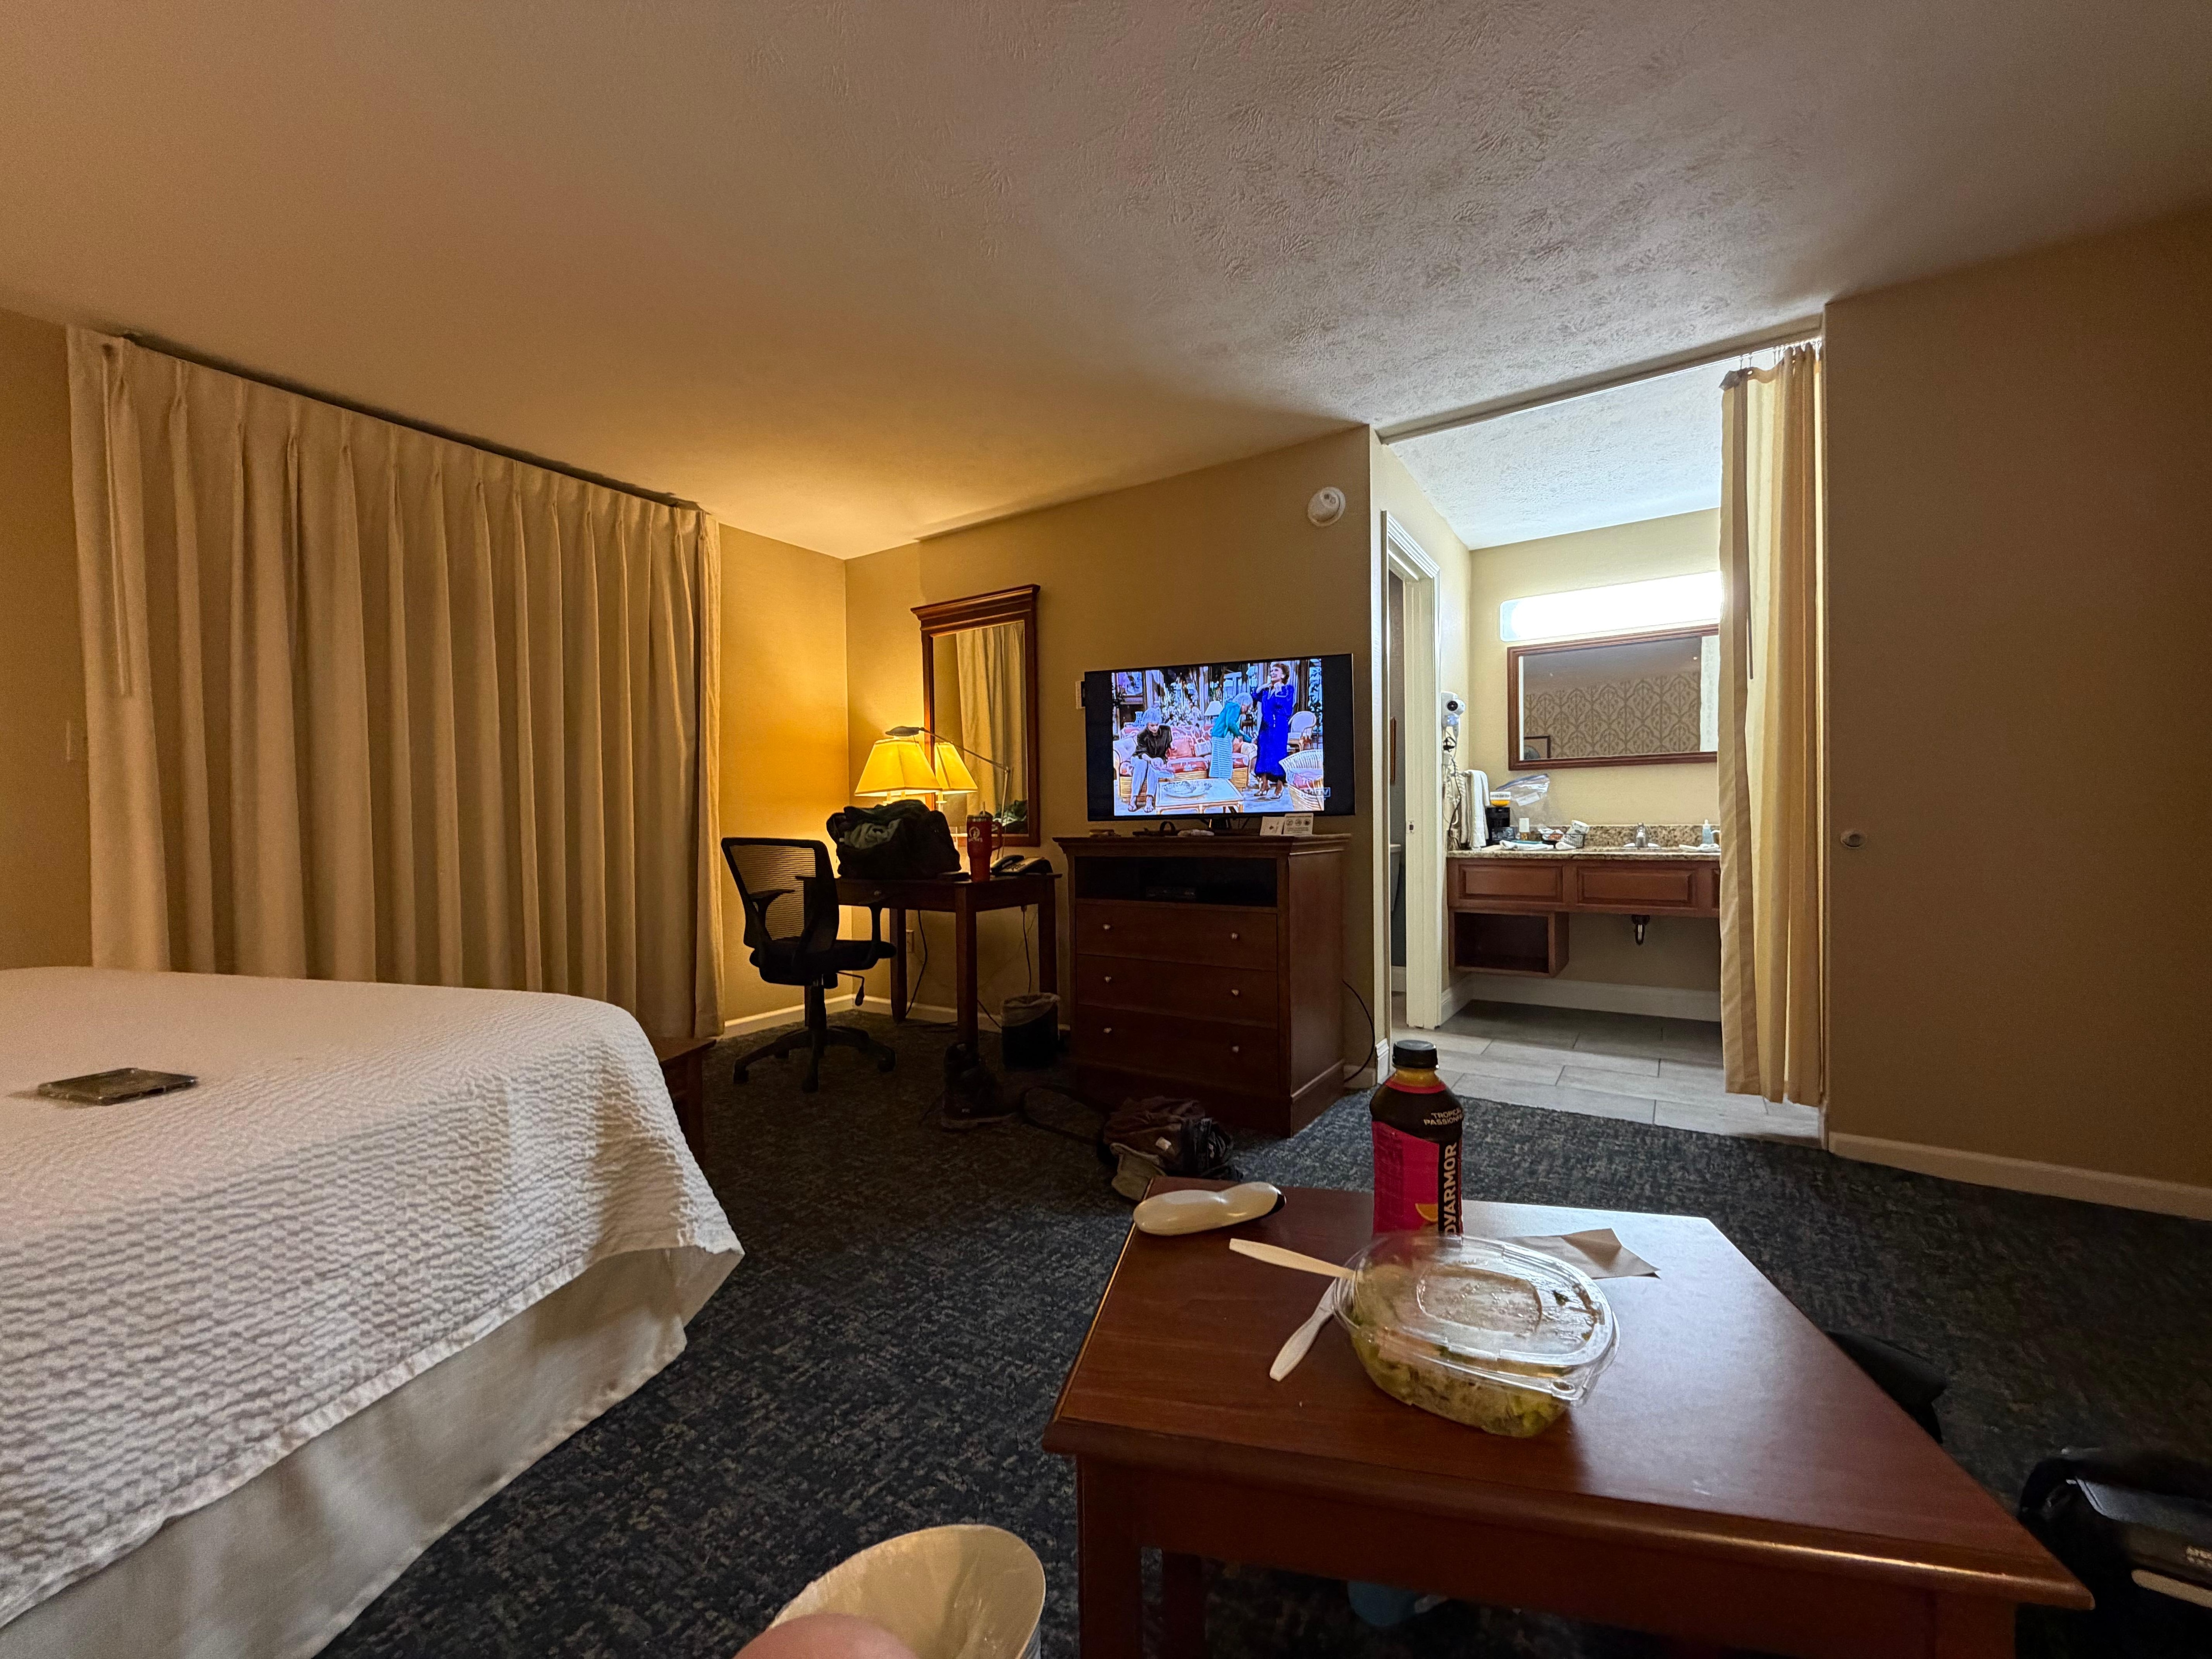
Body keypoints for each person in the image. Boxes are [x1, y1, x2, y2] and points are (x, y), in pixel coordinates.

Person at [1250, 661, 1296, 801]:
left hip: (1279, 727)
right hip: (1265, 727)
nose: (1273, 673)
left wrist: (1279, 691)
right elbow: (1254, 696)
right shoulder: (1266, 690)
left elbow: (1286, 708)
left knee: (1278, 755)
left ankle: (1280, 786)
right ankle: (1264, 785)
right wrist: (1263, 687)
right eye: (1272, 671)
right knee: (1263, 754)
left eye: (1276, 671)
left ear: (1283, 675)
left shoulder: (1288, 689)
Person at [1128, 710, 1173, 809]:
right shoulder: (1142, 735)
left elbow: (1170, 745)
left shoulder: (1167, 730)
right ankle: (1133, 798)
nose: (1155, 728)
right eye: (1152, 726)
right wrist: (1151, 760)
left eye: (1157, 725)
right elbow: (1142, 753)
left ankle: (1149, 799)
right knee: (1142, 764)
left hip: (1159, 757)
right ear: (1147, 724)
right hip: (1140, 757)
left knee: (1154, 766)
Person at [1208, 687, 1249, 782]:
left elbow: (1233, 726)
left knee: (1216, 766)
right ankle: (1225, 787)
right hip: (1223, 738)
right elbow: (1231, 724)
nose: (1247, 710)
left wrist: (1247, 738)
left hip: (1217, 737)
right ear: (1244, 704)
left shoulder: (1230, 707)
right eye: (1248, 707)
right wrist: (1239, 735)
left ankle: (1216, 787)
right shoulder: (1236, 707)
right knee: (1225, 765)